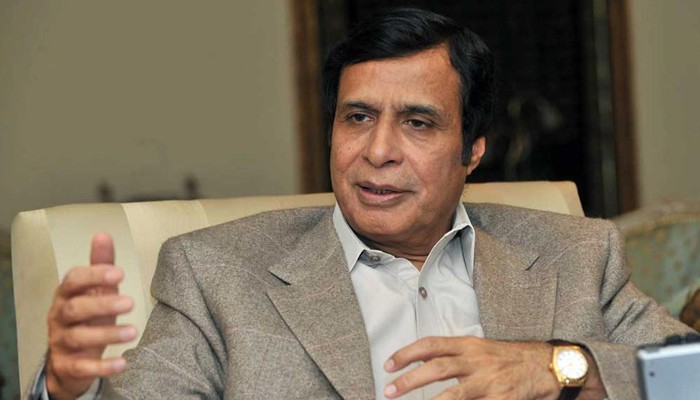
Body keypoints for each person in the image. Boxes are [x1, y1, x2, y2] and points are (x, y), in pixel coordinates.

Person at [29, 8, 692, 400]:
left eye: (418, 124)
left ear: (473, 150)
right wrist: (63, 387)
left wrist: (559, 367)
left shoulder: (573, 254)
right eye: (357, 117)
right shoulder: (216, 273)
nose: (377, 151)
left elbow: (688, 373)